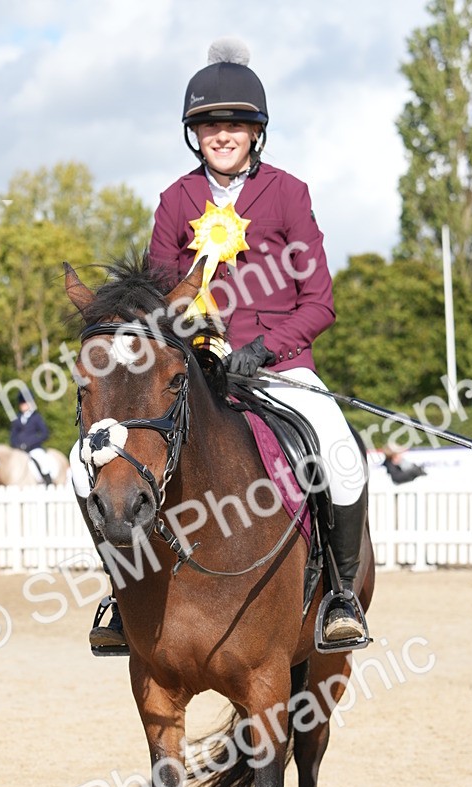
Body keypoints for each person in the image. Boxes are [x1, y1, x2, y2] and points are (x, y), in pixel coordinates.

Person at [83, 37, 369, 653]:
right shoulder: (175, 200)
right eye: (210, 125)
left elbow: (320, 302)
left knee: (340, 453)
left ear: (255, 132)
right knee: (104, 460)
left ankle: (341, 596)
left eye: (235, 125)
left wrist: (264, 348)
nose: (222, 135)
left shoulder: (288, 193)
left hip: (279, 369)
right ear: (195, 134)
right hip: (195, 371)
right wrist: (195, 346)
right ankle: (122, 594)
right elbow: (158, 301)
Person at [10, 394, 54, 486]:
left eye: (25, 403)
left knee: (42, 461)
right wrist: (17, 445)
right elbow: (13, 436)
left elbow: (44, 433)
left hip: (34, 448)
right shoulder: (17, 418)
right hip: (19, 450)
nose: (23, 405)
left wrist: (31, 443)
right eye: (21, 403)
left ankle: (48, 481)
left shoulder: (36, 417)